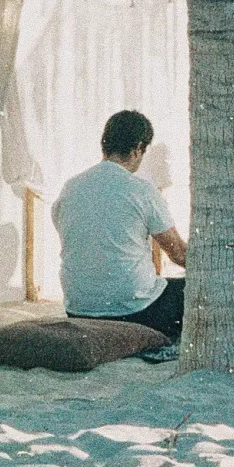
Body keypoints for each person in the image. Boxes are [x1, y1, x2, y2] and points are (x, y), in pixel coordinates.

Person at [52, 110, 188, 337]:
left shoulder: (70, 187)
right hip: (137, 312)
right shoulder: (142, 190)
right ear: (137, 150)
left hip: (78, 311)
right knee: (192, 289)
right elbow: (179, 254)